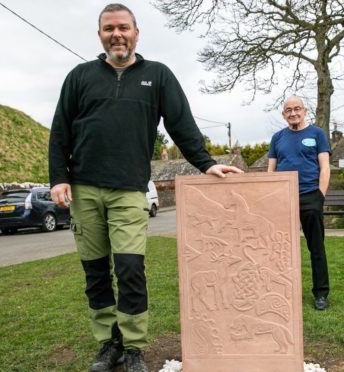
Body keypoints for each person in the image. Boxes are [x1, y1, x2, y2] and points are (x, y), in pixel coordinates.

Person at [48, 4, 242, 372]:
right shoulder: (79, 76)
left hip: (129, 190)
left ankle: (134, 346)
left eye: (123, 27)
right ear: (100, 35)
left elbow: (181, 124)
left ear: (137, 33)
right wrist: (58, 177)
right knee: (95, 270)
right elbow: (60, 131)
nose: (116, 34)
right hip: (84, 189)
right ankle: (108, 344)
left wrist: (206, 162)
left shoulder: (158, 75)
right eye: (109, 29)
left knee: (130, 268)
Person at [267, 96, 331, 310]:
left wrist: (320, 196)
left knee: (316, 248)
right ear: (283, 114)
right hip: (283, 199)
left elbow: (325, 167)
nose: (293, 113)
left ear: (304, 111)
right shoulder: (277, 138)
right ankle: (281, 292)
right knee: (280, 248)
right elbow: (271, 170)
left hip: (310, 196)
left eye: (297, 109)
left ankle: (321, 294)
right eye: (288, 110)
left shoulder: (317, 134)